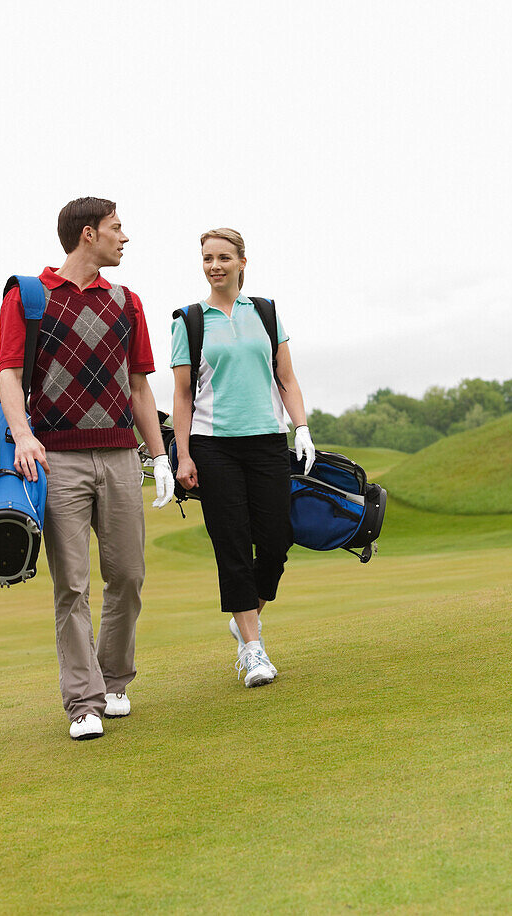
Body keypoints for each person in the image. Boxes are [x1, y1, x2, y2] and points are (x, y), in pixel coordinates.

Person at [0, 197, 175, 740]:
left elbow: (140, 387)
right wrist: (23, 435)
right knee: (71, 586)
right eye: (117, 229)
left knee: (128, 577)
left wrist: (161, 456)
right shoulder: (27, 295)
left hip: (122, 456)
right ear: (88, 234)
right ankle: (83, 703)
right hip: (58, 460)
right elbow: (9, 376)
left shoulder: (128, 301)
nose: (126, 238)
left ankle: (114, 680)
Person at [171, 227, 316, 687]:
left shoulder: (267, 314)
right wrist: (184, 455)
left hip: (268, 441)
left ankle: (247, 612)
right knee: (231, 544)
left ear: (241, 262)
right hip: (215, 445)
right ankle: (253, 650)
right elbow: (181, 395)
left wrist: (303, 429)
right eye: (208, 258)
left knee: (276, 539)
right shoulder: (189, 321)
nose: (215, 266)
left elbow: (287, 380)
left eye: (223, 258)